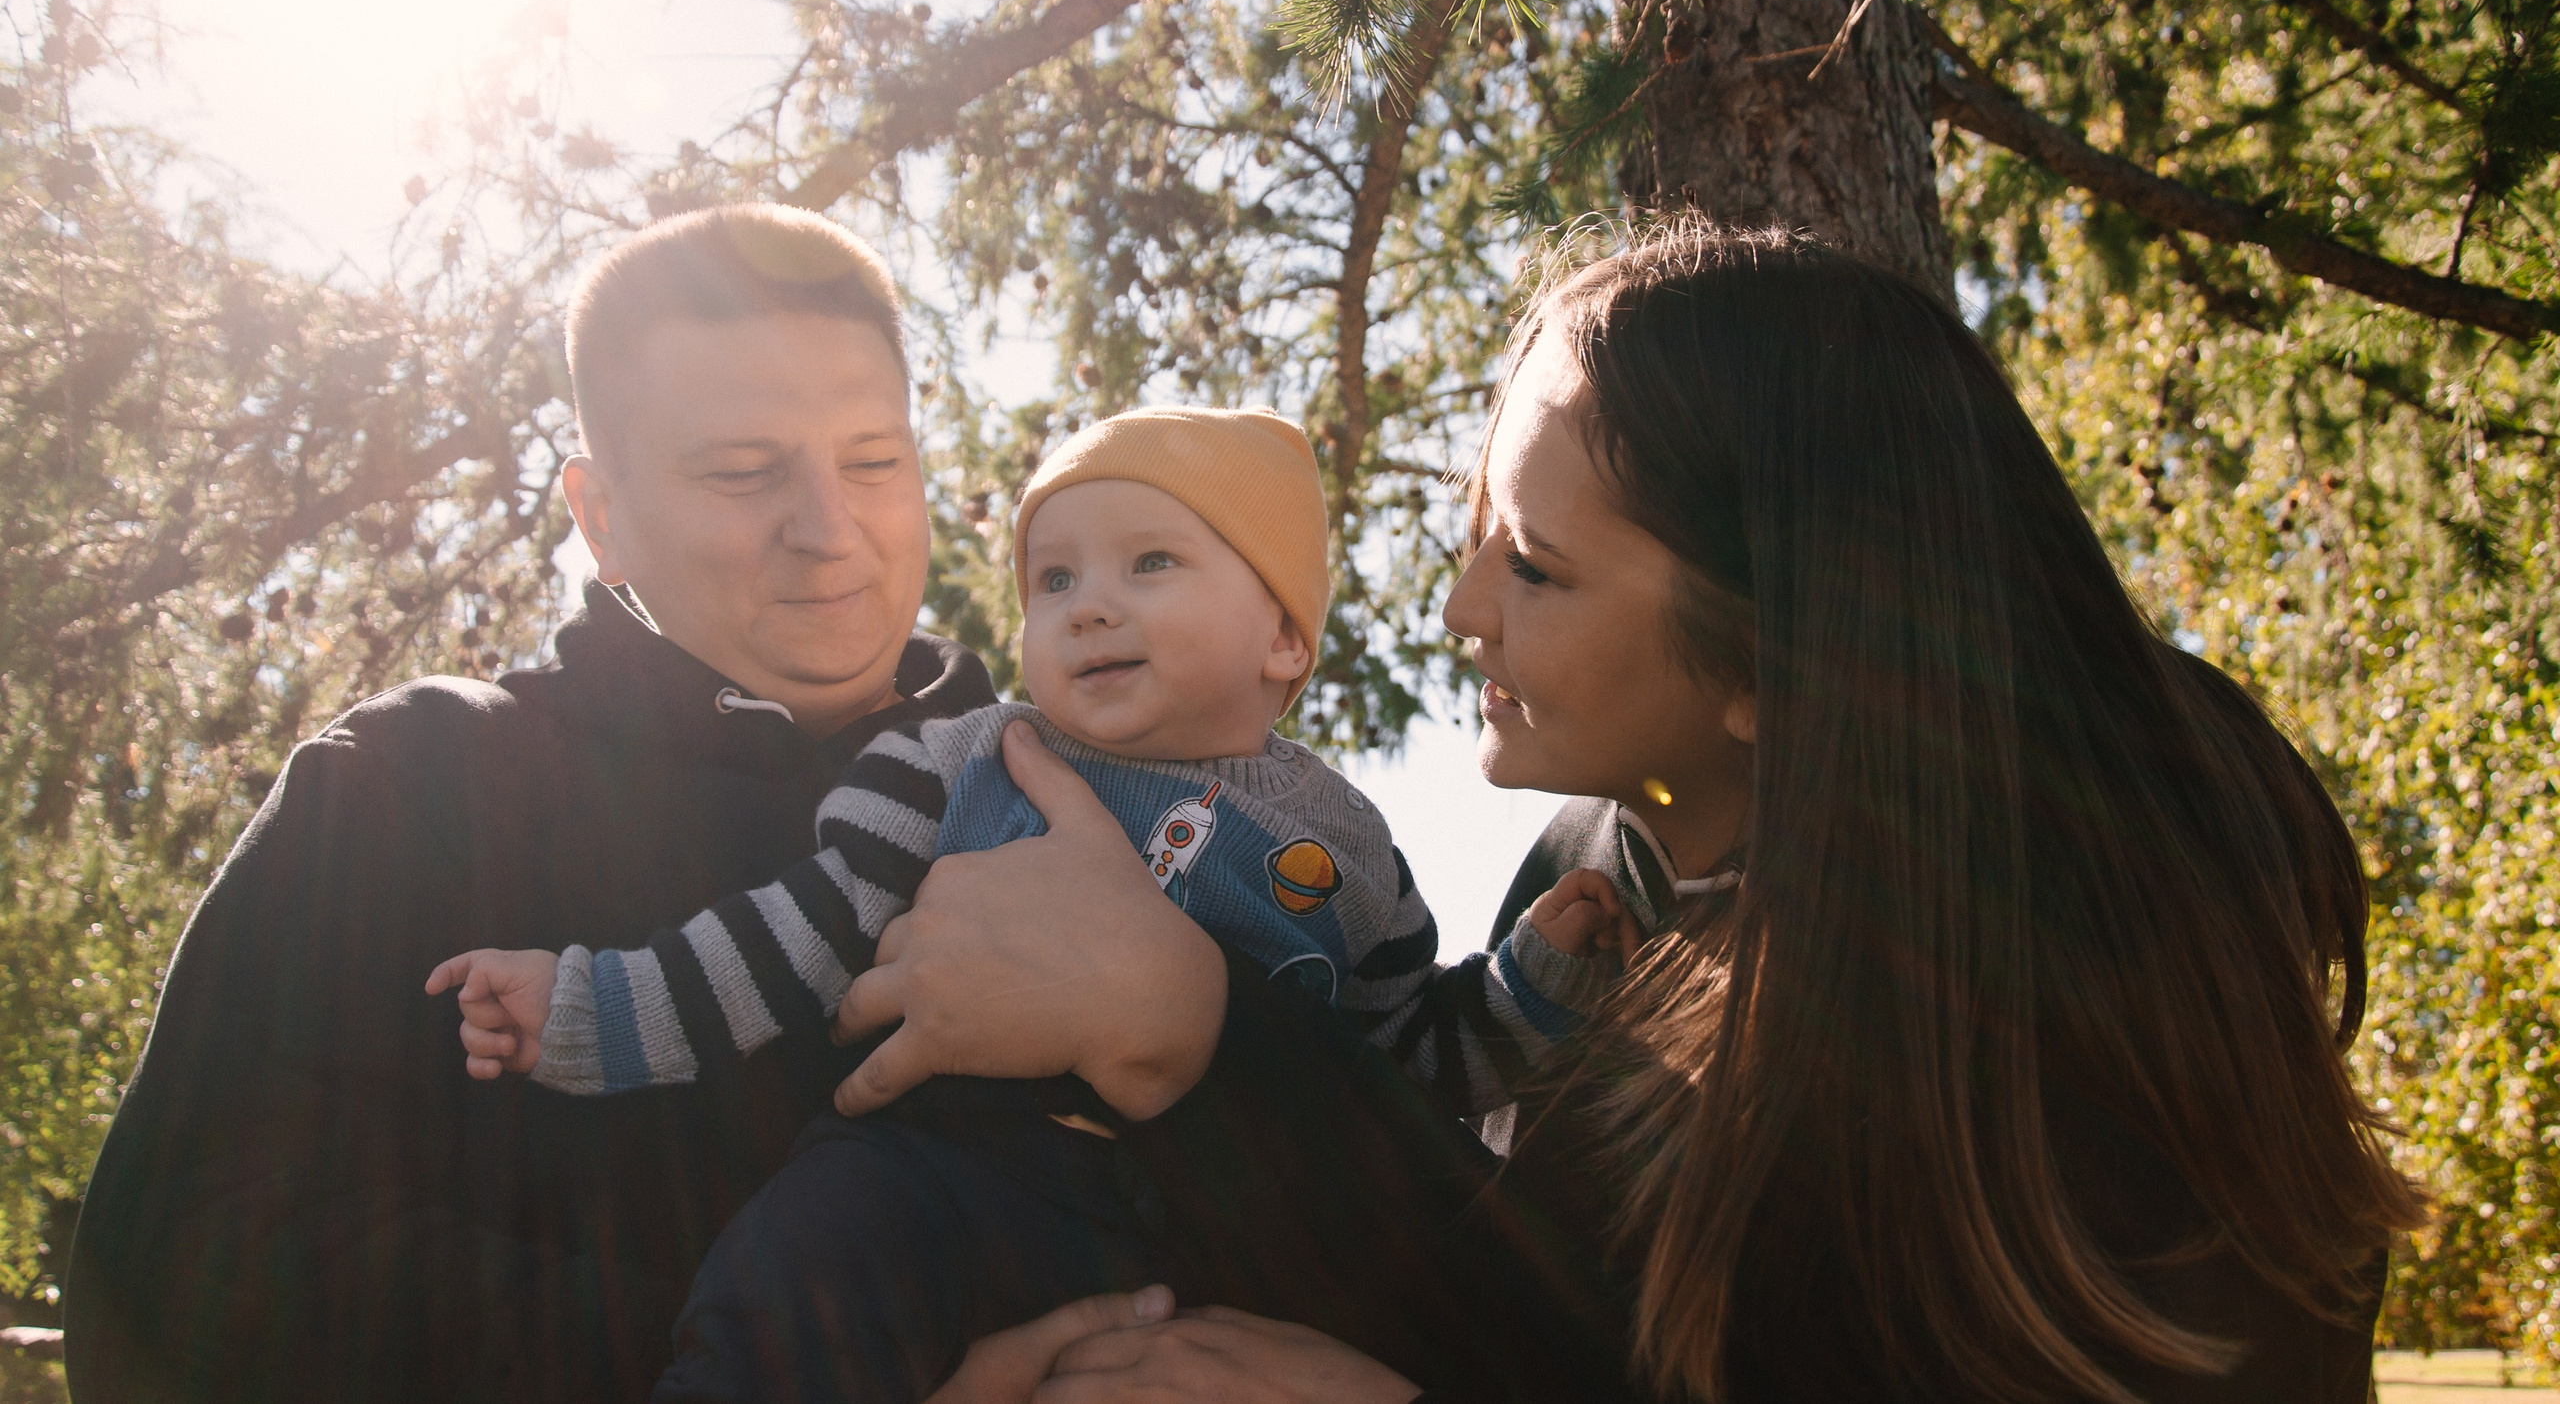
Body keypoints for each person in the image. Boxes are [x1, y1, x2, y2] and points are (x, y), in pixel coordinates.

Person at [820, 222, 2430, 1404]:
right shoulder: (1609, 860)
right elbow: (1522, 1293)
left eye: (1536, 564)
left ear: (1775, 659)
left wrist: (1195, 1031)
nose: (1461, 609)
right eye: (1476, 531)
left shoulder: (2094, 987)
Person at [426, 405, 1628, 1401]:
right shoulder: (962, 758)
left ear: (1281, 637)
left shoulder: (1345, 841)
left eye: (1150, 562)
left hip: (1199, 1232)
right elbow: (799, 934)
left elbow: (1408, 1062)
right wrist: (589, 1006)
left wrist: (1536, 982)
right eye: (1053, 579)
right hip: (934, 1174)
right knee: (791, 1302)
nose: (1089, 605)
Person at [64, 204, 1000, 1403]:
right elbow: (188, 1267)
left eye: (874, 460)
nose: (830, 530)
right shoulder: (408, 790)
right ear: (600, 516)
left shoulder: (1078, 788)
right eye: (742, 472)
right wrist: (820, 1369)